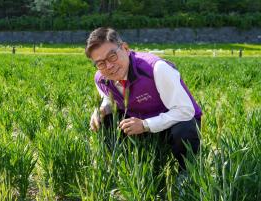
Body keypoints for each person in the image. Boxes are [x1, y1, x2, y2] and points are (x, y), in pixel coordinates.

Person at [86, 27, 202, 170]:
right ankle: (131, 168)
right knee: (105, 119)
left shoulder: (156, 69)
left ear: (125, 48)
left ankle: (188, 172)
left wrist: (145, 125)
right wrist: (102, 109)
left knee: (184, 128)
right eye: (100, 63)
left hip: (173, 123)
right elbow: (108, 98)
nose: (109, 66)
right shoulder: (101, 79)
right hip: (138, 125)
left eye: (112, 56)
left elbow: (185, 110)